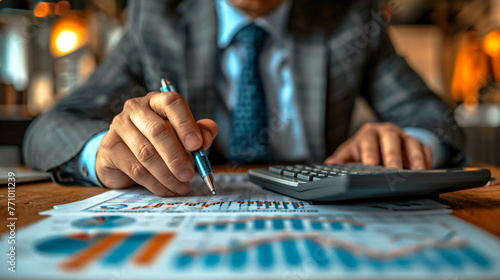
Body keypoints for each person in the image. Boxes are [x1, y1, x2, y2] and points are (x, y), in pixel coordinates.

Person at [23, 0, 466, 197]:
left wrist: (408, 142)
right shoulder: (157, 15)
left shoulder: (349, 15)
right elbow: (48, 129)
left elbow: (437, 119)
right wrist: (103, 153)